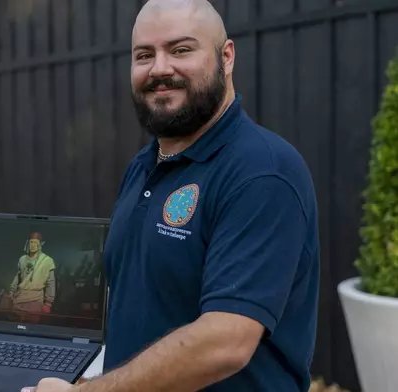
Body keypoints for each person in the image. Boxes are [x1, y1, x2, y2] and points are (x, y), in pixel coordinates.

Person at [23, 0, 320, 391]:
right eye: (144, 55)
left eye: (181, 50)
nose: (160, 68)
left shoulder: (262, 172)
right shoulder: (144, 165)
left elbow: (226, 341)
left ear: (226, 57)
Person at [8, 232, 56, 314]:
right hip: (19, 297)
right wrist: (11, 292)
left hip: (35, 299)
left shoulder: (47, 261)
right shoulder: (22, 259)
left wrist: (48, 303)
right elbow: (18, 276)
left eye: (35, 242)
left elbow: (50, 283)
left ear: (41, 244)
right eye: (31, 242)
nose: (33, 245)